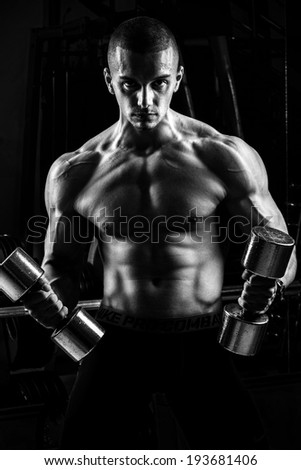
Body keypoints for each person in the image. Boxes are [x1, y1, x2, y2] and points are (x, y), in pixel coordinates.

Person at [24, 16, 297, 450]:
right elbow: (62, 264)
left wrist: (270, 285)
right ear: (108, 80)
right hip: (116, 340)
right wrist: (50, 305)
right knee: (82, 454)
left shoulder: (222, 156)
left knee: (238, 456)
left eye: (160, 83)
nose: (146, 99)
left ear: (178, 78)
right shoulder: (76, 170)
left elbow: (281, 246)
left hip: (201, 338)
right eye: (129, 84)